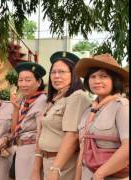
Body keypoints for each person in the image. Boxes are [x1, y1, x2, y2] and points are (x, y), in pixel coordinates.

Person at [35, 51, 91, 180]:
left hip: (63, 165)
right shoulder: (56, 98)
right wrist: (36, 168)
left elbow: (72, 136)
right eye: (53, 72)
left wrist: (55, 169)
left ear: (74, 74)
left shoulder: (77, 96)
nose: (56, 76)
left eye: (62, 72)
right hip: (47, 160)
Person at [74, 54, 129, 180]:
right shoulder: (89, 110)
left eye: (104, 76)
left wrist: (100, 174)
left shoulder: (122, 107)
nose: (97, 81)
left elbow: (127, 147)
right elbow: (83, 150)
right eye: (93, 77)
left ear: (114, 80)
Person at [10, 62, 48, 180]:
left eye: (28, 80)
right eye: (20, 80)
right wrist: (16, 109)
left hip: (33, 151)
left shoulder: (42, 101)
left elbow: (42, 134)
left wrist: (36, 167)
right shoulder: (23, 101)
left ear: (38, 82)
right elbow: (13, 131)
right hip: (21, 150)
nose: (23, 84)